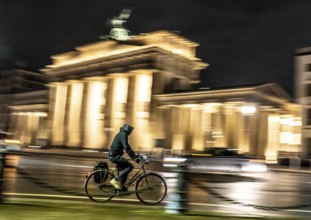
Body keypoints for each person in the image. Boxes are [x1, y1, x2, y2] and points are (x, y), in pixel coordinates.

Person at [108, 123, 140, 191]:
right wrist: (134, 158)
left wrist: (135, 155)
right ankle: (116, 180)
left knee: (124, 169)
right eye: (130, 130)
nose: (131, 132)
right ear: (128, 129)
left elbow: (128, 146)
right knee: (130, 167)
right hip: (115, 156)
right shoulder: (123, 134)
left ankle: (120, 187)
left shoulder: (122, 133)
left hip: (113, 155)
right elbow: (127, 148)